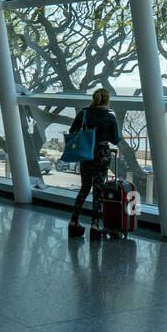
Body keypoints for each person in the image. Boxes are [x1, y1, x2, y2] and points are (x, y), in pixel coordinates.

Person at [68, 87, 121, 239]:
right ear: (107, 100)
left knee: (84, 187)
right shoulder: (110, 117)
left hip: (86, 153)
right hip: (102, 155)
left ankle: (73, 221)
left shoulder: (84, 113)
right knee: (98, 190)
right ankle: (95, 225)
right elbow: (115, 139)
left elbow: (73, 131)